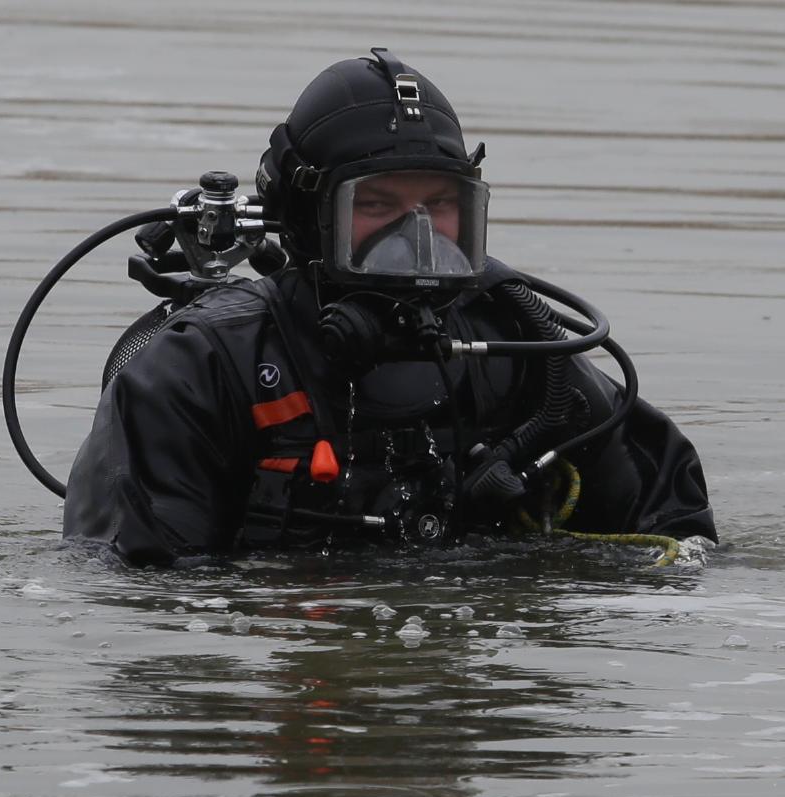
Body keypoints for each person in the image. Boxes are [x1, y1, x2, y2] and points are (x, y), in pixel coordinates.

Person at [63, 48, 715, 567]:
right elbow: (137, 598)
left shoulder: (522, 350)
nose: (417, 238)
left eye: (441, 207)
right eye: (377, 207)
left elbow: (675, 536)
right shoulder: (204, 367)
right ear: (306, 218)